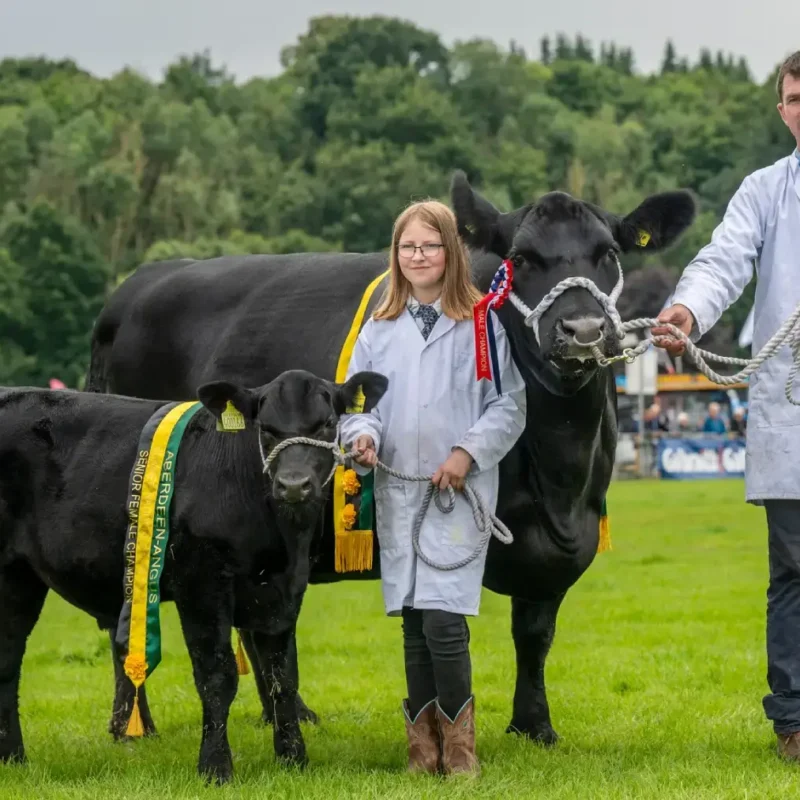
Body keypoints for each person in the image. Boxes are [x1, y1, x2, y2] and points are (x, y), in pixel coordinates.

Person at [340, 199, 526, 775]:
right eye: (407, 247)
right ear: (396, 257)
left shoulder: (481, 322)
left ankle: (460, 750)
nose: (418, 256)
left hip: (455, 491)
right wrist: (363, 438)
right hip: (400, 490)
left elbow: (510, 404)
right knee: (415, 621)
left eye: (429, 245)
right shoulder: (379, 327)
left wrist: (467, 452)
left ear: (452, 252)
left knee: (445, 618)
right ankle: (423, 752)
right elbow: (358, 405)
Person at [653, 50, 800, 761]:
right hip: (793, 404)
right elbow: (724, 259)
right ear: (782, 111)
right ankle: (795, 722)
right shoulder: (766, 190)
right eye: (794, 98)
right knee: (795, 572)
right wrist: (686, 309)